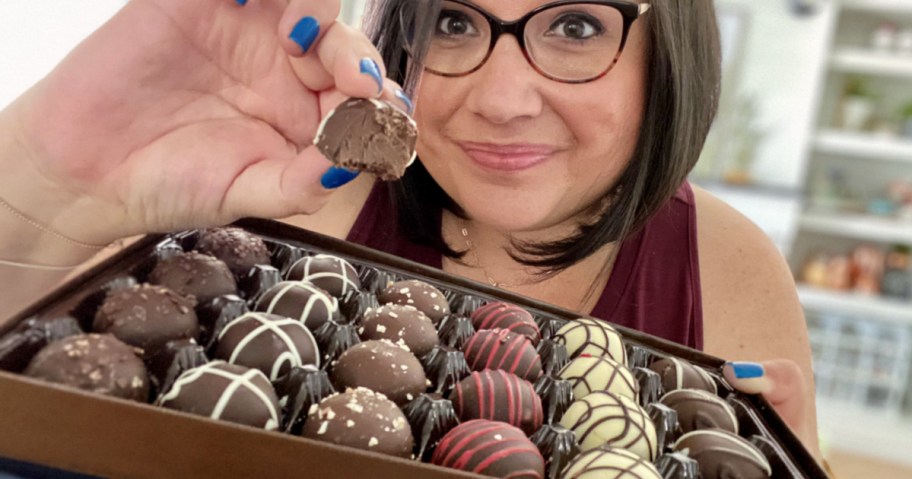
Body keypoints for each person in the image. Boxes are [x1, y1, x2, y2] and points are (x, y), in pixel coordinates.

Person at [0, 0, 821, 466]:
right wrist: (40, 187)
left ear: (672, 46)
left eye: (575, 26)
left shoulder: (729, 269)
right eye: (456, 22)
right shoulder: (275, 201)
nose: (502, 100)